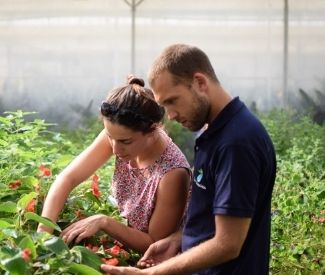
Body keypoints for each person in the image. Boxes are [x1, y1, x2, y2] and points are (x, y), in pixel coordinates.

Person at [102, 44, 276, 274]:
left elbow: (228, 244)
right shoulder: (214, 134)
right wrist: (178, 239)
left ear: (200, 83)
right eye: (164, 105)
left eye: (173, 101)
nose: (171, 115)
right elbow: (215, 220)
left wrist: (152, 273)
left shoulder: (236, 143)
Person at [37, 76, 191, 254]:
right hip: (124, 244)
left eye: (126, 141)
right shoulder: (117, 134)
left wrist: (104, 222)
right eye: (110, 137)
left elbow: (155, 244)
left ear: (152, 129)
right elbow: (68, 178)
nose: (116, 149)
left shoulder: (172, 173)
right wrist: (43, 234)